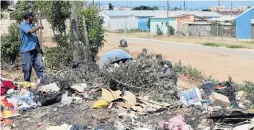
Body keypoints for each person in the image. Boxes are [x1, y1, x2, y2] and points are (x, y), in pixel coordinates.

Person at [19, 12, 44, 83]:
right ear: (28, 17)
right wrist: (39, 26)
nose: (33, 18)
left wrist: (39, 48)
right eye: (32, 16)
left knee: (39, 66)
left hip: (35, 50)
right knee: (27, 68)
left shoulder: (32, 25)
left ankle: (41, 82)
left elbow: (35, 38)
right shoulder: (22, 24)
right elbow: (30, 31)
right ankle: (27, 85)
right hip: (27, 50)